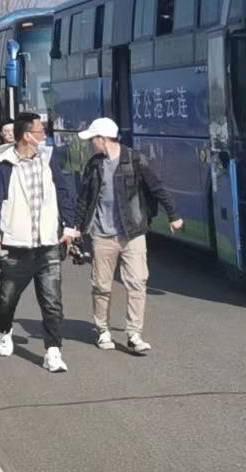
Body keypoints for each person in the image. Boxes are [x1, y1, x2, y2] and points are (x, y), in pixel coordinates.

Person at [72, 117, 180, 354]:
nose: (90, 144)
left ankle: (134, 334)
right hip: (102, 234)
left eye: (92, 139)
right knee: (101, 285)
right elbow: (84, 199)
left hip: (133, 232)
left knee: (137, 283)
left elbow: (157, 187)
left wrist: (173, 215)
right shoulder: (94, 165)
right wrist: (75, 227)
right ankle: (102, 330)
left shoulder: (135, 160)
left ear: (102, 139)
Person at [0, 112, 78, 373]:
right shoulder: (2, 164)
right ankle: (4, 330)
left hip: (48, 244)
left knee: (52, 303)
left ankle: (53, 352)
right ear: (27, 136)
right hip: (16, 247)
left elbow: (63, 192)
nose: (44, 134)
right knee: (7, 300)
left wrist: (69, 227)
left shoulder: (48, 157)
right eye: (40, 131)